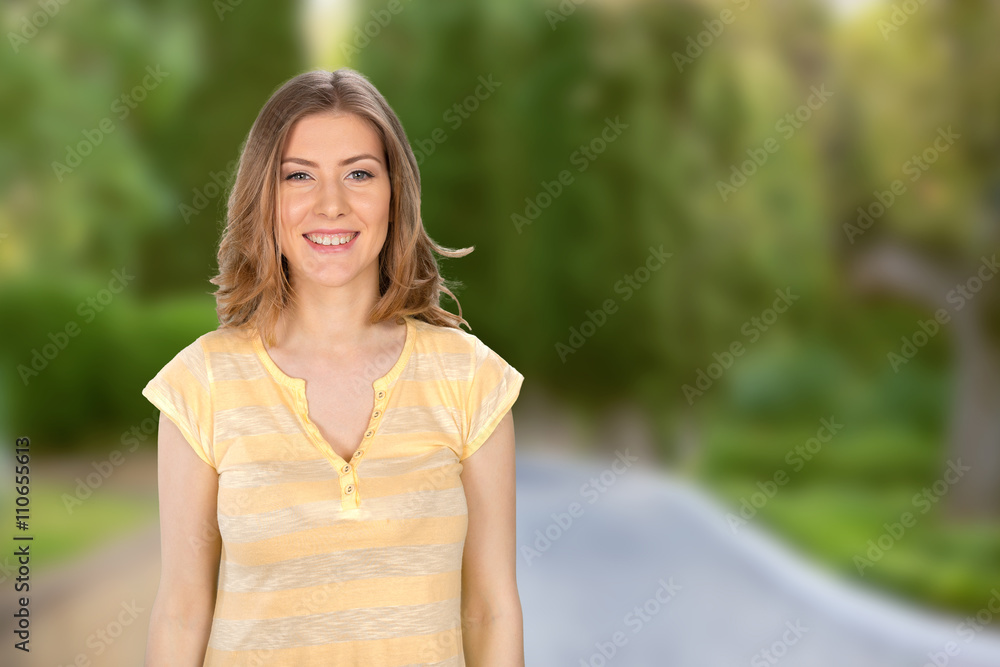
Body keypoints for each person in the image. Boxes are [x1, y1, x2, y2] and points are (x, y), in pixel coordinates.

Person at [141, 68, 525, 666]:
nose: (331, 204)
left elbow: (490, 609)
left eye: (359, 174)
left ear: (395, 192)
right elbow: (182, 610)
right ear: (264, 197)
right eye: (298, 175)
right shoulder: (201, 385)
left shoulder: (471, 380)